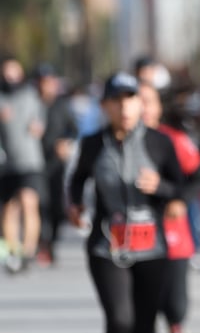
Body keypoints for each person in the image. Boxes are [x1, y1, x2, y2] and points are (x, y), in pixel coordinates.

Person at [66, 72, 184, 333]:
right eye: (116, 101)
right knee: (120, 320)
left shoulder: (159, 142)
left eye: (130, 99)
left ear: (140, 104)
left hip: (152, 247)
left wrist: (161, 188)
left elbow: (179, 188)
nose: (124, 107)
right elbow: (77, 180)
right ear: (104, 106)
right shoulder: (93, 144)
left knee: (144, 324)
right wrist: (74, 205)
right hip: (106, 245)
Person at [137, 81, 200, 333]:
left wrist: (178, 199)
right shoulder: (111, 142)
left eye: (148, 101)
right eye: (136, 99)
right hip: (132, 238)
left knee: (175, 306)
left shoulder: (173, 139)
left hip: (171, 233)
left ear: (158, 107)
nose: (142, 107)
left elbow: (199, 175)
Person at [0, 54, 46, 274]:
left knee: (29, 202)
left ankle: (28, 252)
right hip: (7, 162)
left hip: (30, 161)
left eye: (14, 71)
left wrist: (38, 127)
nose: (11, 76)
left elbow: (40, 123)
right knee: (10, 208)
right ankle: (13, 252)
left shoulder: (31, 96)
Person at [34, 63, 79, 266]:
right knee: (38, 204)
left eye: (50, 82)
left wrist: (66, 143)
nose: (47, 86)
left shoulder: (62, 105)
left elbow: (74, 129)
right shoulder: (32, 103)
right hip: (33, 162)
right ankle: (41, 244)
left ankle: (51, 242)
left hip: (55, 163)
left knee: (56, 206)